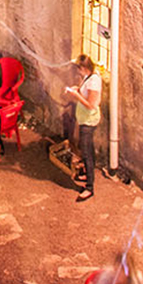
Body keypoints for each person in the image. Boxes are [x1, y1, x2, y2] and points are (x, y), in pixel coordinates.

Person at [62, 54, 103, 201]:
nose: (78, 72)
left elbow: (91, 104)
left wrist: (76, 95)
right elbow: (85, 93)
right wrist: (77, 89)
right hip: (84, 119)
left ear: (84, 68)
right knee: (88, 148)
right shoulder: (90, 76)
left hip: (89, 120)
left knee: (85, 151)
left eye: (79, 69)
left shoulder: (94, 82)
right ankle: (88, 172)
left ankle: (89, 187)